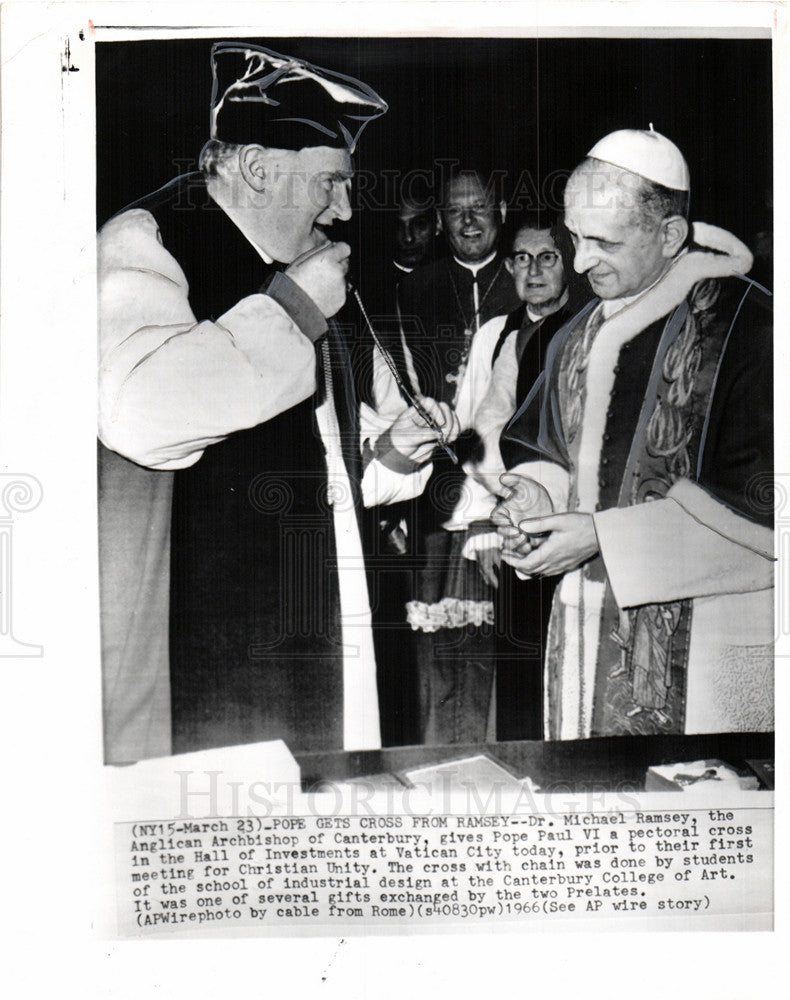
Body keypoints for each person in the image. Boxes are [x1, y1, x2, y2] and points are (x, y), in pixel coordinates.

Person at [98, 42, 454, 763]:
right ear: (257, 167)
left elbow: (323, 473)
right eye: (330, 182)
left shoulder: (310, 271)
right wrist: (290, 308)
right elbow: (136, 414)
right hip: (211, 647)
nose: (346, 209)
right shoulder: (147, 239)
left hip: (321, 619)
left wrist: (388, 455)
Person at [494, 128, 774, 740]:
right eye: (574, 235)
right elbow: (547, 449)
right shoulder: (576, 334)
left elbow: (766, 521)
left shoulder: (754, 332)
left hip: (715, 651)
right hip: (583, 627)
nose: (579, 260)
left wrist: (602, 539)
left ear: (670, 236)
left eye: (603, 242)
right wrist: (536, 500)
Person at [370, 167, 520, 744]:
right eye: (456, 211)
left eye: (478, 206)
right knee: (432, 645)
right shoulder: (416, 288)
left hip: (504, 490)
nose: (468, 221)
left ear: (499, 209)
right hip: (433, 495)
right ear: (441, 221)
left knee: (497, 646)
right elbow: (393, 398)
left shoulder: (524, 279)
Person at [452, 212, 584, 739]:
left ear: (568, 262)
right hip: (511, 522)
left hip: (574, 520)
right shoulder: (497, 333)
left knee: (570, 663)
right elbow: (475, 426)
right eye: (522, 259)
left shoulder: (589, 326)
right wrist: (483, 521)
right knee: (519, 662)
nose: (534, 270)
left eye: (547, 257)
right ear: (507, 267)